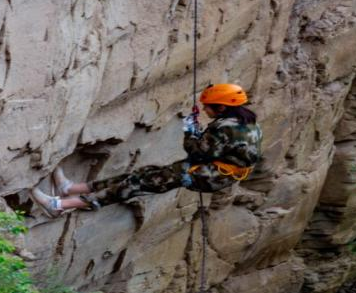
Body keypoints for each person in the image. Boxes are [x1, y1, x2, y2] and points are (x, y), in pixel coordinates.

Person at [30, 83, 263, 218]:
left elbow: (196, 152)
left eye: (208, 108)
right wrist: (199, 131)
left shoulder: (228, 128)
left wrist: (190, 131)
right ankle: (70, 188)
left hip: (205, 175)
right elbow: (216, 149)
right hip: (210, 170)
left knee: (134, 186)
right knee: (139, 175)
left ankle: (59, 206)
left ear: (222, 107)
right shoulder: (244, 122)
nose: (205, 110)